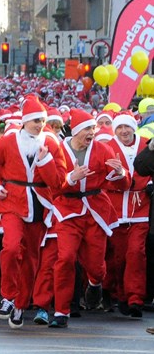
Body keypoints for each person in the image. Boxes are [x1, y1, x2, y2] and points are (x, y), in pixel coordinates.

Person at [0, 97, 65, 329]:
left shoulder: (51, 143)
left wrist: (45, 159)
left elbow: (58, 182)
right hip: (12, 201)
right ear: (25, 121)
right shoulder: (8, 142)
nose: (39, 124)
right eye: (35, 120)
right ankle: (7, 296)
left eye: (42, 120)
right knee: (11, 247)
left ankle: (20, 303)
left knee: (30, 260)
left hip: (38, 205)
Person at [46, 109, 127, 328]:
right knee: (65, 258)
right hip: (67, 210)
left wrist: (120, 174)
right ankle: (61, 312)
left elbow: (122, 184)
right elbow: (52, 183)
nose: (92, 133)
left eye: (93, 128)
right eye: (87, 129)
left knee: (96, 265)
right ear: (76, 131)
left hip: (94, 211)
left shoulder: (103, 149)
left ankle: (95, 282)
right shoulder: (60, 151)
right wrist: (71, 178)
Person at [105, 112, 149, 318]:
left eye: (127, 127)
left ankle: (135, 298)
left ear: (134, 127)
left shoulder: (147, 144)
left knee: (136, 253)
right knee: (118, 257)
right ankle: (120, 293)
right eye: (120, 127)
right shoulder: (107, 146)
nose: (124, 131)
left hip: (140, 207)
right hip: (116, 208)